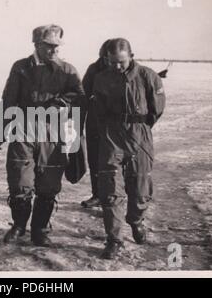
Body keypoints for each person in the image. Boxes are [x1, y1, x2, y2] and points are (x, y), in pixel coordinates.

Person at [0, 24, 85, 247]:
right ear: (37, 44)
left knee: (48, 184)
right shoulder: (21, 68)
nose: (54, 50)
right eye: (49, 46)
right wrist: (0, 130)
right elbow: (9, 98)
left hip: (53, 129)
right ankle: (18, 225)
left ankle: (40, 230)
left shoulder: (68, 70)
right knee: (19, 181)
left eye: (57, 46)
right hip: (23, 125)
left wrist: (62, 103)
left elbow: (79, 96)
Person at [92, 38, 165, 259]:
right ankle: (114, 239)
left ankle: (136, 220)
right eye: (112, 62)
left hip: (139, 134)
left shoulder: (148, 76)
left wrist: (140, 126)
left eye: (121, 62)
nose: (117, 66)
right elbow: (98, 110)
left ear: (131, 56)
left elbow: (157, 109)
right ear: (106, 59)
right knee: (111, 188)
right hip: (112, 136)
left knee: (141, 184)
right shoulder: (101, 78)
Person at [80, 39, 111, 208]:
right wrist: (78, 124)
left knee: (114, 161)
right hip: (94, 123)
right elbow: (83, 95)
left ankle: (114, 198)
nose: (108, 61)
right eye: (104, 57)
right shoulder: (94, 70)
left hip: (115, 125)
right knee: (94, 159)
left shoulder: (121, 70)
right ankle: (97, 194)